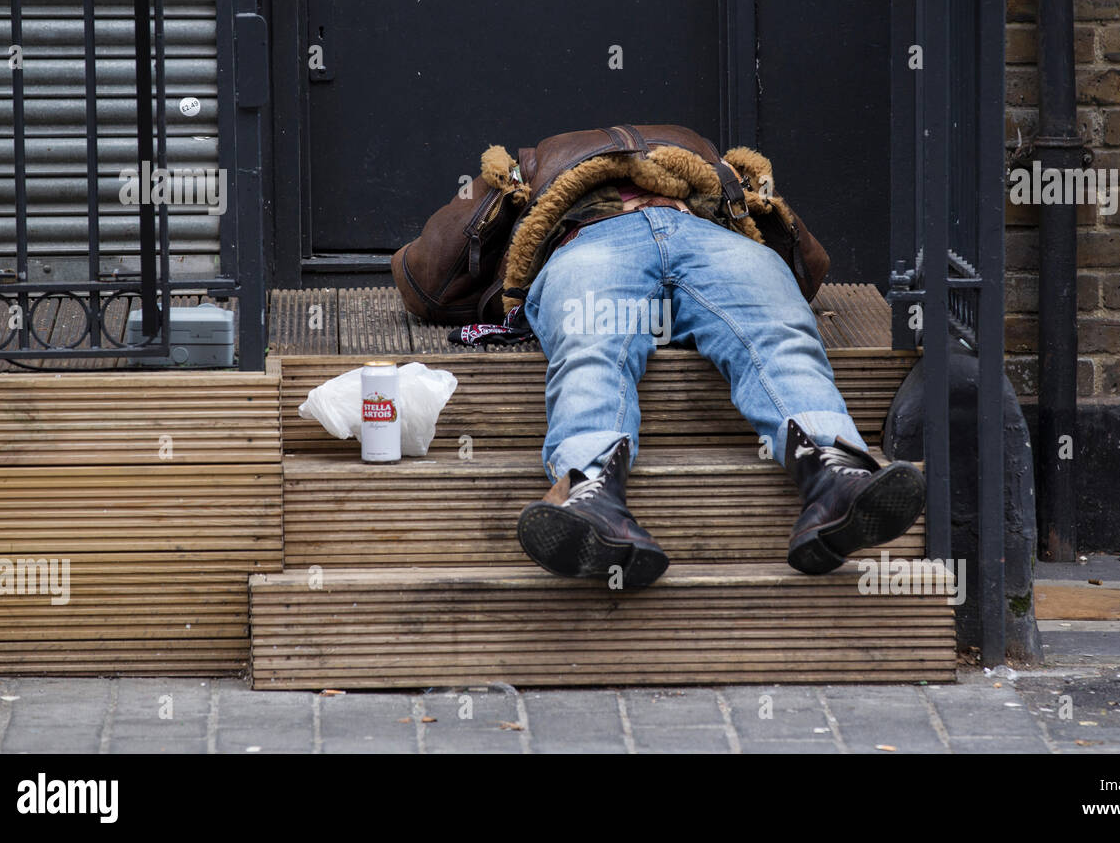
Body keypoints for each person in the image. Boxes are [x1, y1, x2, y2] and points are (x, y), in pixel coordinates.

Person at [394, 125, 925, 588]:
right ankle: (588, 491)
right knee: (591, 346)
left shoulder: (721, 170)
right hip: (590, 239)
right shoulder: (527, 165)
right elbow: (426, 278)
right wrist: (501, 187)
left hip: (707, 234)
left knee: (780, 332)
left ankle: (836, 476)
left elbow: (807, 266)